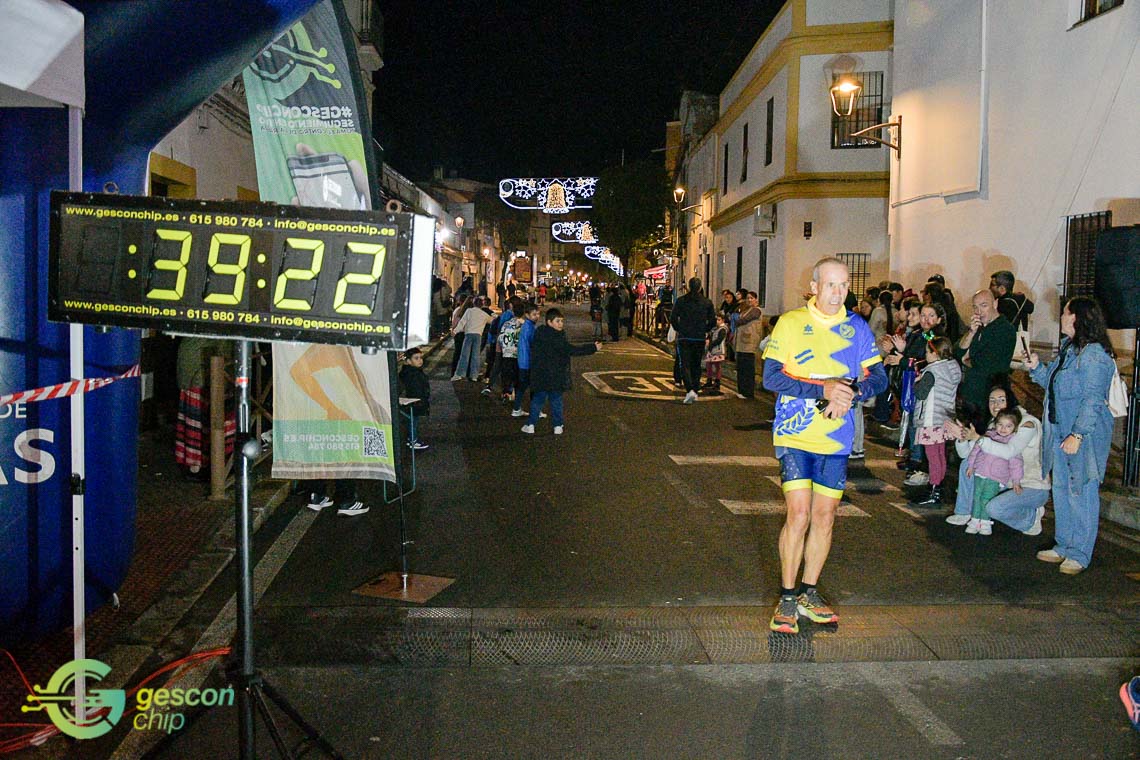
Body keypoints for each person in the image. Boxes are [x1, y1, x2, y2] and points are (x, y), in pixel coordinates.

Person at [761, 257, 888, 635]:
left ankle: (809, 592)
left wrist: (851, 391)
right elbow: (771, 377)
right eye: (831, 285)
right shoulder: (791, 322)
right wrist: (824, 389)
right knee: (798, 514)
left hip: (835, 438)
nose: (838, 292)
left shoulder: (857, 327)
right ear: (814, 287)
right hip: (795, 434)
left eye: (844, 285)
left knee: (825, 516)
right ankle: (787, 597)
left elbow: (879, 377)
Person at [1026, 296, 1116, 575]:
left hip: (1081, 436)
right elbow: (1053, 385)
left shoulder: (1094, 356)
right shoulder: (1069, 348)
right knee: (1062, 490)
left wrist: (1078, 434)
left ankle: (1080, 552)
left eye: (1065, 312)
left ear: (1077, 318)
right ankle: (1064, 544)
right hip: (1060, 430)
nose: (1061, 317)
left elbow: (1093, 400)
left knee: (1082, 491)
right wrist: (1036, 369)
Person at [945, 383, 1050, 536]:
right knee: (968, 464)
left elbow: (1009, 452)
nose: (995, 405)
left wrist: (978, 438)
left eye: (1001, 400)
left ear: (1011, 401)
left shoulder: (1028, 423)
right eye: (992, 400)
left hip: (1029, 485)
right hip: (1004, 481)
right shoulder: (995, 424)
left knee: (993, 508)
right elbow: (966, 454)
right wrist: (961, 438)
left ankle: (1031, 518)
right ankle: (964, 512)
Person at [521, 309, 601, 435]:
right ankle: (557, 426)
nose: (560, 324)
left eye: (562, 321)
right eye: (557, 321)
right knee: (556, 400)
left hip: (541, 373)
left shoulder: (539, 333)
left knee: (538, 399)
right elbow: (572, 350)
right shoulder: (558, 337)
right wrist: (592, 347)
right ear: (549, 322)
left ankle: (531, 425)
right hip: (556, 374)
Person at [955, 289, 1016, 433]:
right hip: (970, 396)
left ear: (995, 304)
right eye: (975, 307)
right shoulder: (979, 328)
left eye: (984, 306)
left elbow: (986, 364)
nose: (979, 312)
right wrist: (971, 333)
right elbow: (958, 352)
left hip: (988, 398)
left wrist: (967, 360)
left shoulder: (1005, 330)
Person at [174, 336, 234, 481]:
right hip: (201, 365)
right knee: (201, 413)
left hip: (212, 362)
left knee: (209, 413)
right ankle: (199, 465)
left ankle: (206, 464)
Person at [911, 337, 961, 506]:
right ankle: (938, 486)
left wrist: (916, 382)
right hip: (944, 417)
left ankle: (933, 489)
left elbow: (921, 394)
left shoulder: (932, 372)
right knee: (940, 455)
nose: (925, 355)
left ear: (935, 353)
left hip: (930, 419)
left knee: (932, 456)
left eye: (927, 352)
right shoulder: (952, 369)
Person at [963, 409, 1025, 535]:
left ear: (1015, 428)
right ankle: (974, 520)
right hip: (980, 472)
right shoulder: (988, 435)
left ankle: (985, 522)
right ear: (995, 424)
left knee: (987, 498)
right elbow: (975, 450)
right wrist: (971, 465)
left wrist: (1016, 481)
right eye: (1000, 424)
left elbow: (1016, 464)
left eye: (1008, 426)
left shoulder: (1012, 443)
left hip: (996, 477)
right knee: (977, 496)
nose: (1003, 429)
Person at [670, 277, 716, 405]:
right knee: (696, 364)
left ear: (689, 287)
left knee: (685, 364)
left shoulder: (681, 301)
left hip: (684, 336)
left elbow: (673, 317)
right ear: (700, 287)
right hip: (699, 337)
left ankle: (689, 389)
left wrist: (679, 329)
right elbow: (712, 320)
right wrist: (705, 330)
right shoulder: (707, 302)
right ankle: (695, 390)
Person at [451, 296, 494, 381]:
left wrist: (455, 331)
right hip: (478, 336)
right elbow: (492, 320)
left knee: (465, 355)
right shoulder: (483, 314)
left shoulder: (469, 311)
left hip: (469, 334)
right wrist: (494, 314)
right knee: (475, 356)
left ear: (474, 304)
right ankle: (474, 375)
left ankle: (460, 374)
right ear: (481, 305)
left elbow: (462, 322)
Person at [512, 302, 542, 418]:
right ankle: (535, 411)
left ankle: (517, 409)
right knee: (534, 387)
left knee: (523, 387)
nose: (537, 316)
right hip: (528, 362)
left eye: (538, 314)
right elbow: (535, 345)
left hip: (523, 361)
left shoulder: (526, 326)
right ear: (527, 315)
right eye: (534, 314)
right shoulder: (530, 328)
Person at [398, 348, 430, 451]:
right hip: (413, 401)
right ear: (408, 361)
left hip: (415, 401)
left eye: (420, 358)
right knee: (413, 421)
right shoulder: (412, 373)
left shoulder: (412, 371)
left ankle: (412, 439)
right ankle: (413, 440)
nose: (420, 360)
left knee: (413, 420)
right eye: (416, 358)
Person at [733, 291, 762, 399]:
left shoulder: (756, 310)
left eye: (751, 298)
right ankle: (742, 390)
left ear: (756, 299)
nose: (749, 300)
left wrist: (737, 320)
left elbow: (743, 320)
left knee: (747, 369)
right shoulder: (746, 309)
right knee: (741, 368)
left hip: (749, 344)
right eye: (748, 298)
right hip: (742, 343)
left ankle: (748, 392)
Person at [701, 313, 728, 395]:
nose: (717, 321)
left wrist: (711, 344)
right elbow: (710, 336)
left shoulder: (723, 329)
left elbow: (719, 339)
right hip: (711, 349)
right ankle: (709, 380)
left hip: (718, 350)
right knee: (708, 364)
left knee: (717, 366)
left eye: (719, 320)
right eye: (716, 319)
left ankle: (717, 382)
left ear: (723, 320)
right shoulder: (715, 328)